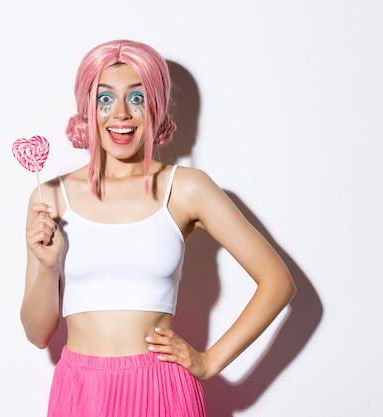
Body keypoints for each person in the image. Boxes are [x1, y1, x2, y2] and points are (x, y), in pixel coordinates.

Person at [20, 39, 296, 417]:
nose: (121, 114)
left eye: (137, 98)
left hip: (161, 389)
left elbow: (278, 281)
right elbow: (37, 336)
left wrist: (210, 361)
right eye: (105, 99)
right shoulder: (50, 197)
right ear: (87, 108)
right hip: (80, 391)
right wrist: (48, 266)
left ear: (155, 107)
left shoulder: (187, 188)